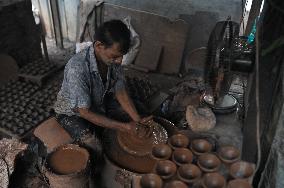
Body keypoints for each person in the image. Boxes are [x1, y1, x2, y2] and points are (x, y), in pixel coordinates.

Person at [54, 20, 152, 150]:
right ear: (99, 45)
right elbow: (85, 112)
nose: (119, 61)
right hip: (73, 113)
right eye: (115, 56)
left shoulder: (112, 61)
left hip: (100, 102)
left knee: (141, 112)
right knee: (94, 146)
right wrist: (126, 127)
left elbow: (120, 90)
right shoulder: (77, 68)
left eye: (122, 56)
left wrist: (136, 119)